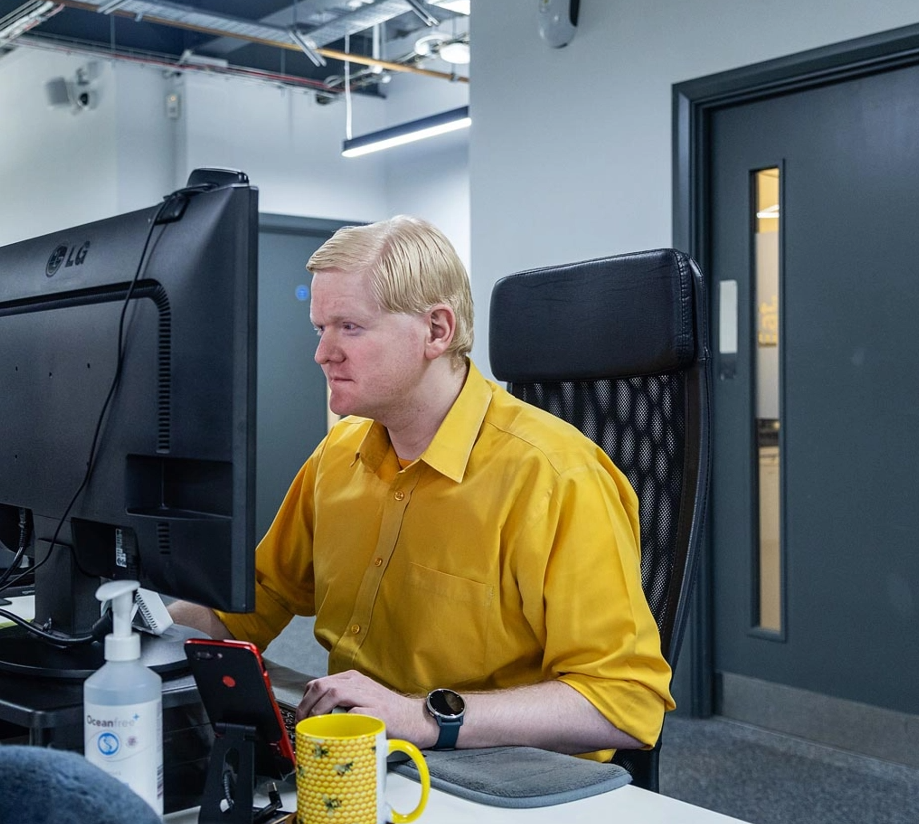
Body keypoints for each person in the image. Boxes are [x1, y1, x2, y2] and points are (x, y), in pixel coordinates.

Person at [170, 216, 673, 760]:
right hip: (364, 760)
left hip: (498, 774)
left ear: (436, 330)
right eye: (321, 329)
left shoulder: (553, 477)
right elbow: (258, 599)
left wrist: (423, 717)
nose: (323, 353)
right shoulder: (338, 456)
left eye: (350, 328)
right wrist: (137, 629)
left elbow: (625, 701)